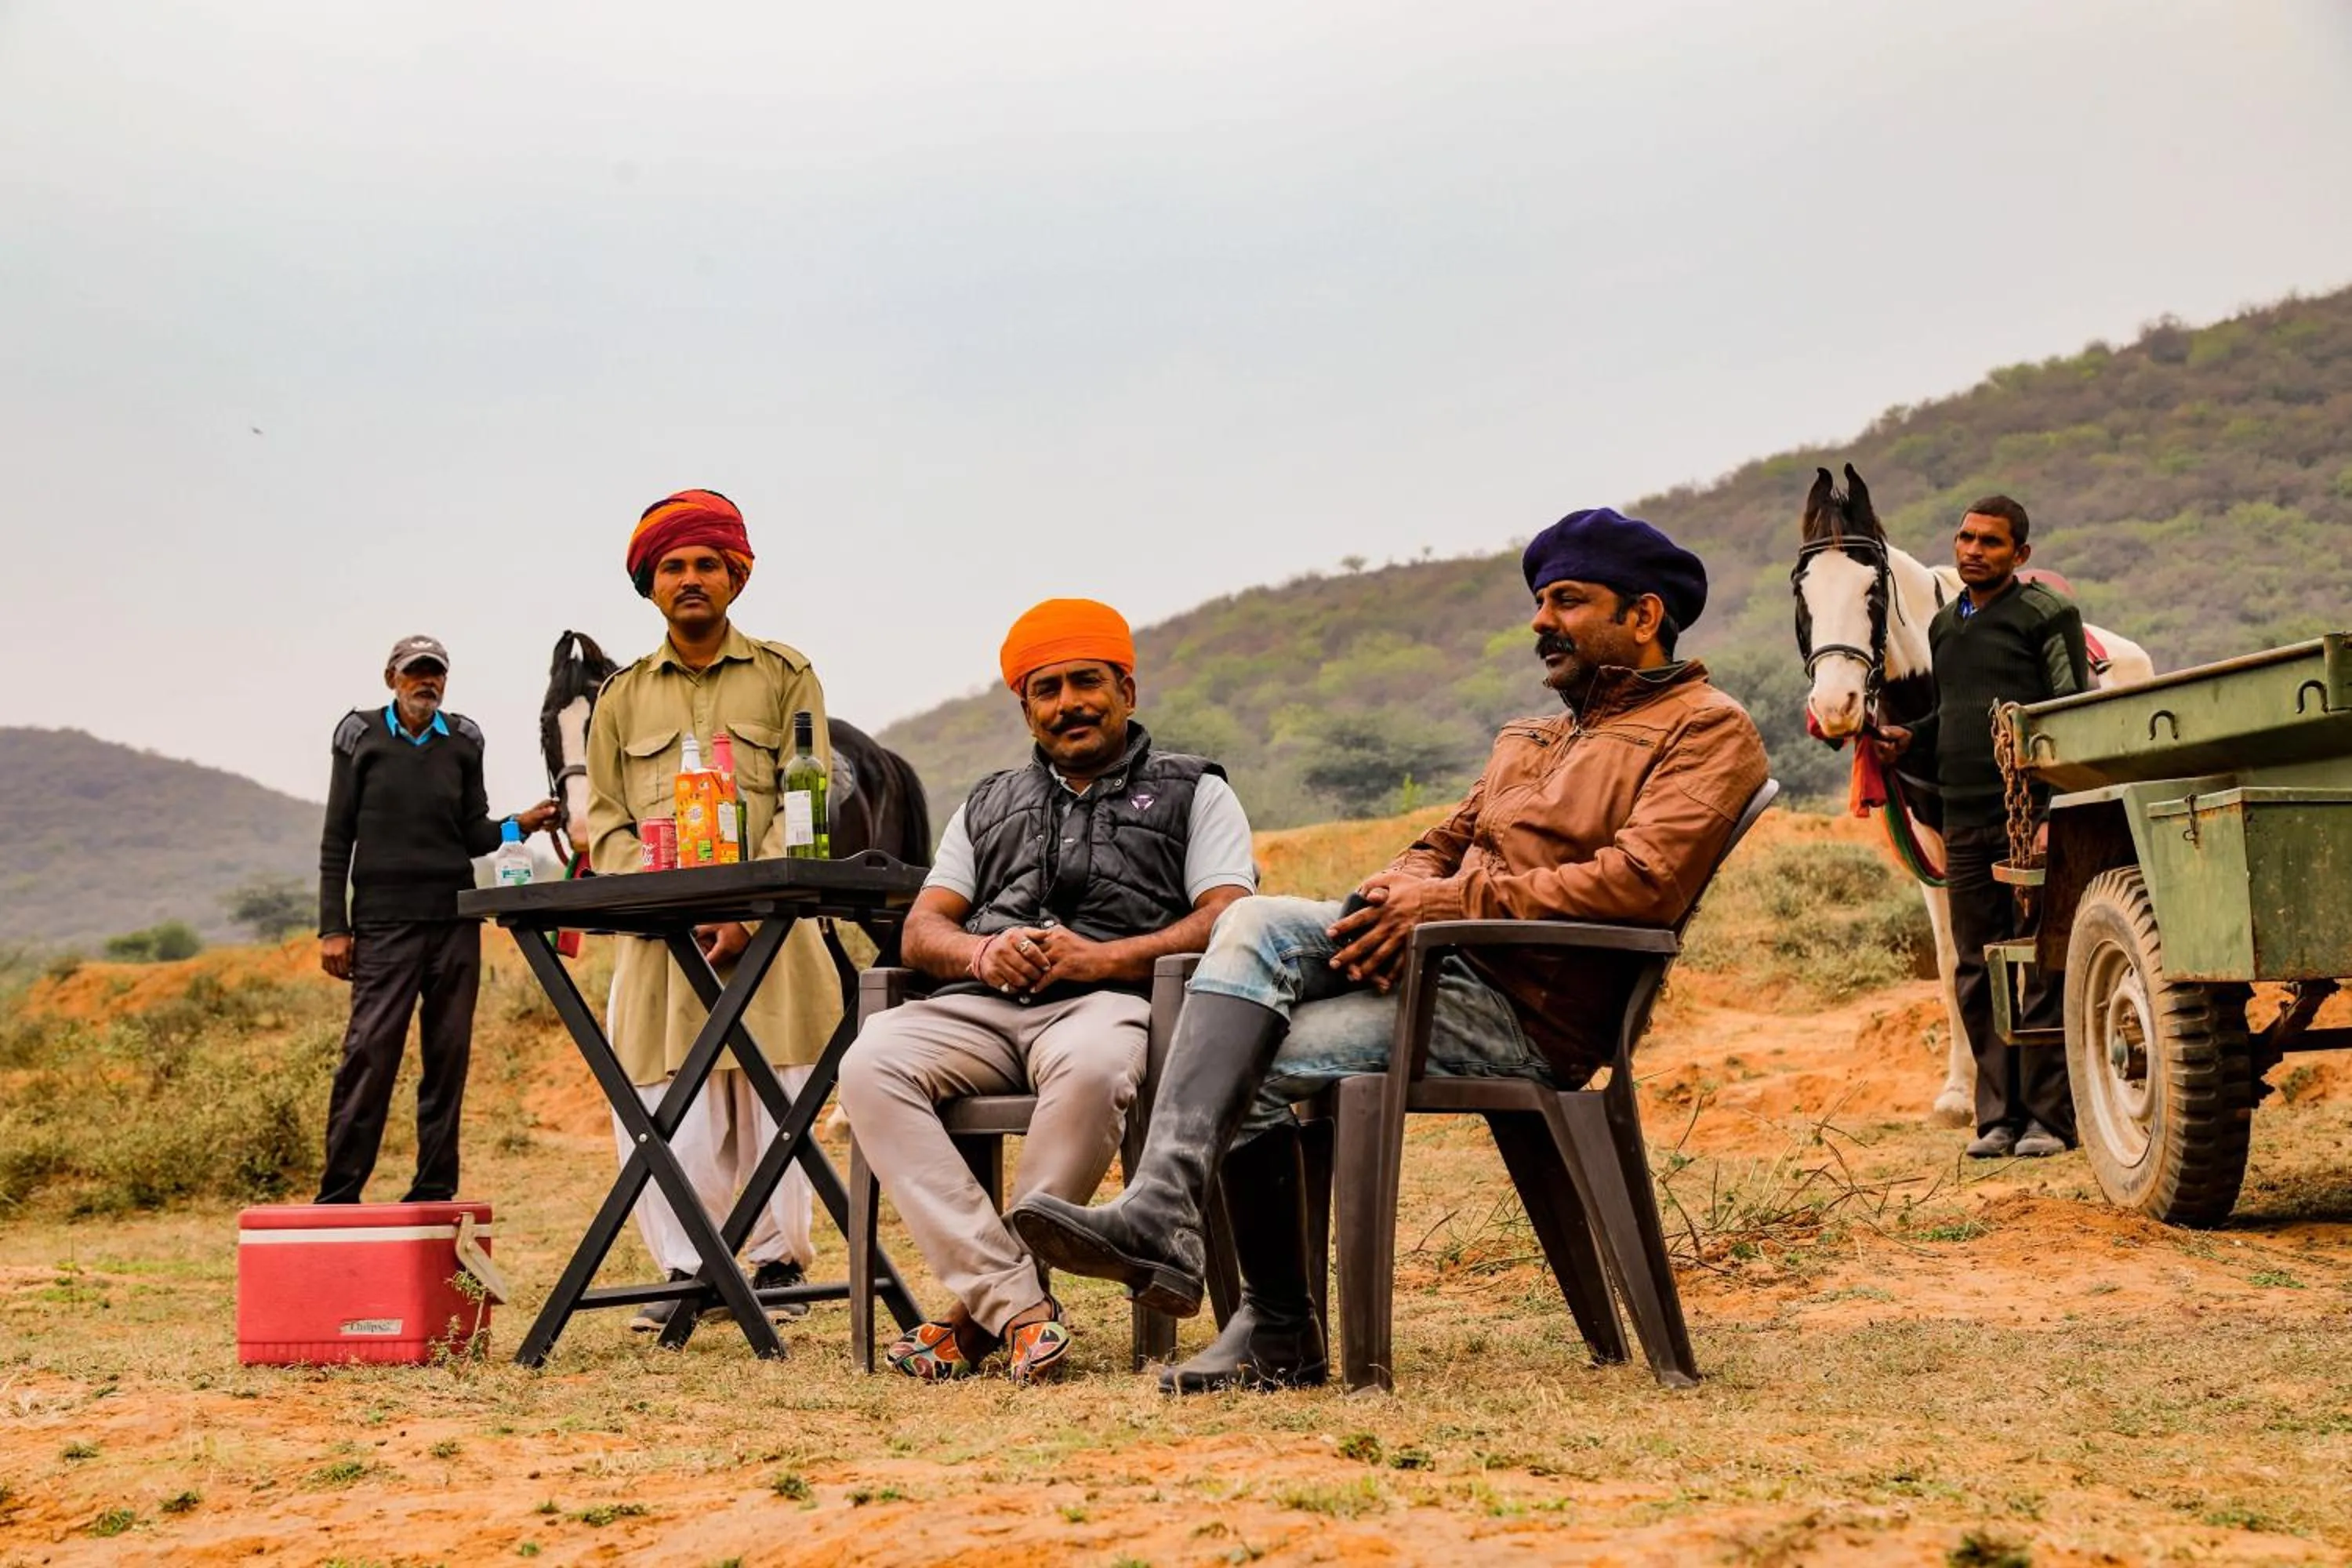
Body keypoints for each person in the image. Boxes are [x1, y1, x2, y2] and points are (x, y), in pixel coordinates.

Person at [1010, 508, 1769, 1393]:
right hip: (1441, 965)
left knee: (1244, 1065)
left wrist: (1439, 905)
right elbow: (1437, 845)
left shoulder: (1706, 729)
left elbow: (1641, 883)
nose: (1540, 620)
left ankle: (1274, 1326)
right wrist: (1390, 901)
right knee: (1251, 923)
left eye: (1567, 600)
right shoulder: (1535, 737)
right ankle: (1164, 1211)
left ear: (1643, 615)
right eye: (1538, 601)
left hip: (1531, 1007)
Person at [837, 599, 1256, 1384]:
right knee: (869, 1062)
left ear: (1127, 690)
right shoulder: (987, 801)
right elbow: (922, 930)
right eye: (1047, 689)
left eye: (1086, 682)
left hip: (1110, 1004)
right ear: (1026, 708)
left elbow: (1229, 915)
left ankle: (973, 1319)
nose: (1069, 703)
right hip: (981, 1007)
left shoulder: (1195, 790)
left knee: (1095, 1068)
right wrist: (982, 950)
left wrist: (1103, 959)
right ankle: (1019, 1305)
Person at [584, 488, 840, 1330]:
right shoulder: (620, 698)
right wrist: (665, 905)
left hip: (771, 934)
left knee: (777, 1098)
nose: (690, 578)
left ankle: (774, 1268)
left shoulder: (786, 675)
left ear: (736, 576)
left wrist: (747, 908)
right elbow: (606, 823)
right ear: (649, 584)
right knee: (667, 1108)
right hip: (661, 939)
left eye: (706, 564)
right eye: (673, 567)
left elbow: (802, 800)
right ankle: (686, 1273)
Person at [1873, 496, 2086, 1160]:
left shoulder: (2046, 615)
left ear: (2020, 555)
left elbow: (2070, 711)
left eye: (1991, 542)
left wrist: (2053, 813)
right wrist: (1910, 738)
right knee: (1976, 966)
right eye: (1966, 538)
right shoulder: (1945, 626)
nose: (1973, 550)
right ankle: (1997, 1117)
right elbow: (1953, 715)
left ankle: (2051, 1120)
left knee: (2042, 962)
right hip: (1963, 820)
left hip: (2030, 819)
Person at [316, 635, 558, 1204]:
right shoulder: (358, 735)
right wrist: (333, 927)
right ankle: (339, 1196)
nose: (426, 682)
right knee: (370, 1053)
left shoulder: (465, 740)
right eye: (415, 672)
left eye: (435, 673)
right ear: (392, 679)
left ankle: (433, 1191)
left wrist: (521, 824)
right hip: (383, 924)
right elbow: (337, 837)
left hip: (453, 919)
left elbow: (472, 832)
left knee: (447, 1056)